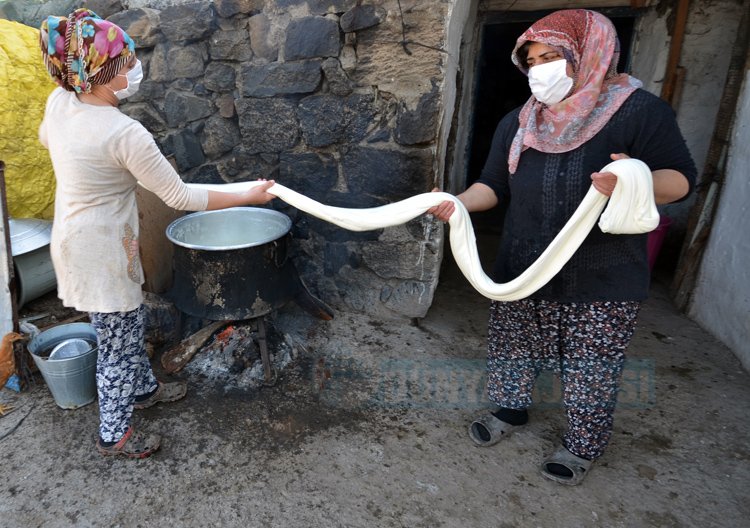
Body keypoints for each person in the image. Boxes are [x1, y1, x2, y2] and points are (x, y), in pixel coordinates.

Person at [429, 9, 696, 485]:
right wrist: (455, 204)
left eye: (551, 57)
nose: (539, 70)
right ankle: (510, 412)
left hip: (603, 271)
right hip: (524, 265)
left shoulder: (637, 110)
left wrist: (633, 178)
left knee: (591, 364)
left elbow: (680, 181)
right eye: (531, 60)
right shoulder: (521, 121)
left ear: (588, 55)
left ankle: (581, 445)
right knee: (513, 347)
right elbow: (492, 186)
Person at [38, 9, 276, 458]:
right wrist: (249, 194)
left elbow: (45, 137)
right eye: (126, 63)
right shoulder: (124, 133)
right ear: (105, 74)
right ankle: (115, 434)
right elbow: (181, 197)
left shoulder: (62, 102)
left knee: (125, 325)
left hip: (73, 238)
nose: (134, 68)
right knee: (116, 342)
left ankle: (144, 391)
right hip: (102, 251)